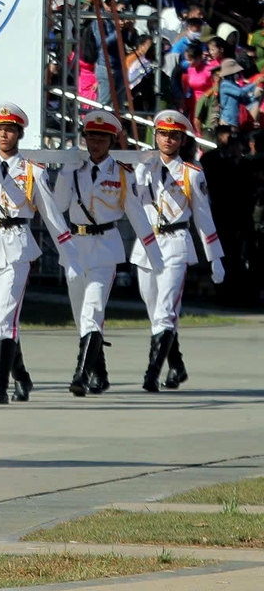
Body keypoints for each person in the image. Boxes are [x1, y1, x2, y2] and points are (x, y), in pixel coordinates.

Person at [45, 110, 145, 395]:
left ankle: (80, 374)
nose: (96, 143)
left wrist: (154, 253)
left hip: (105, 247)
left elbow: (136, 215)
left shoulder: (122, 174)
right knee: (81, 317)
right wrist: (64, 173)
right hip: (75, 247)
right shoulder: (74, 170)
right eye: (91, 137)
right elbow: (60, 205)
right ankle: (100, 374)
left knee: (92, 311)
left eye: (102, 138)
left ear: (112, 140)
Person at [0, 103, 63, 406]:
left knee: (7, 318)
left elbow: (50, 213)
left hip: (17, 244)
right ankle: (21, 376)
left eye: (9, 129)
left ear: (20, 133)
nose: (4, 134)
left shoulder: (32, 169)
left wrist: (68, 251)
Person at [132, 109, 225, 392]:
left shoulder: (191, 174)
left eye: (174, 136)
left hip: (175, 243)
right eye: (163, 134)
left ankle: (151, 373)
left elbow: (203, 216)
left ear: (182, 140)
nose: (168, 140)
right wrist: (138, 172)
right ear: (156, 136)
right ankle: (178, 366)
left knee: (165, 312)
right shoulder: (143, 168)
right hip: (147, 245)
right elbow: (133, 201)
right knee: (154, 312)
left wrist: (215, 258)